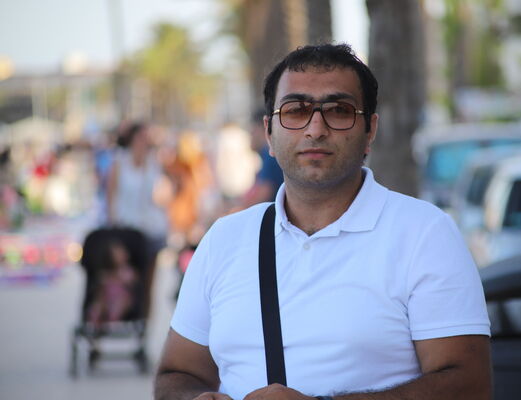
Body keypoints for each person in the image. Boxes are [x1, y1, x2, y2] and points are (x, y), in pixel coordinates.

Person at [154, 44, 492, 400]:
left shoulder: (425, 233)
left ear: (370, 130)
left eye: (339, 110)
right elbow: (177, 373)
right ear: (269, 133)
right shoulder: (225, 239)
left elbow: (469, 385)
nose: (316, 129)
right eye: (295, 110)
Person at [107, 122, 168, 317]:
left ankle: (144, 325)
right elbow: (111, 197)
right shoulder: (119, 162)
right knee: (127, 280)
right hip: (126, 228)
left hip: (151, 228)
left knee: (148, 284)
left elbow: (159, 195)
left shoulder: (153, 162)